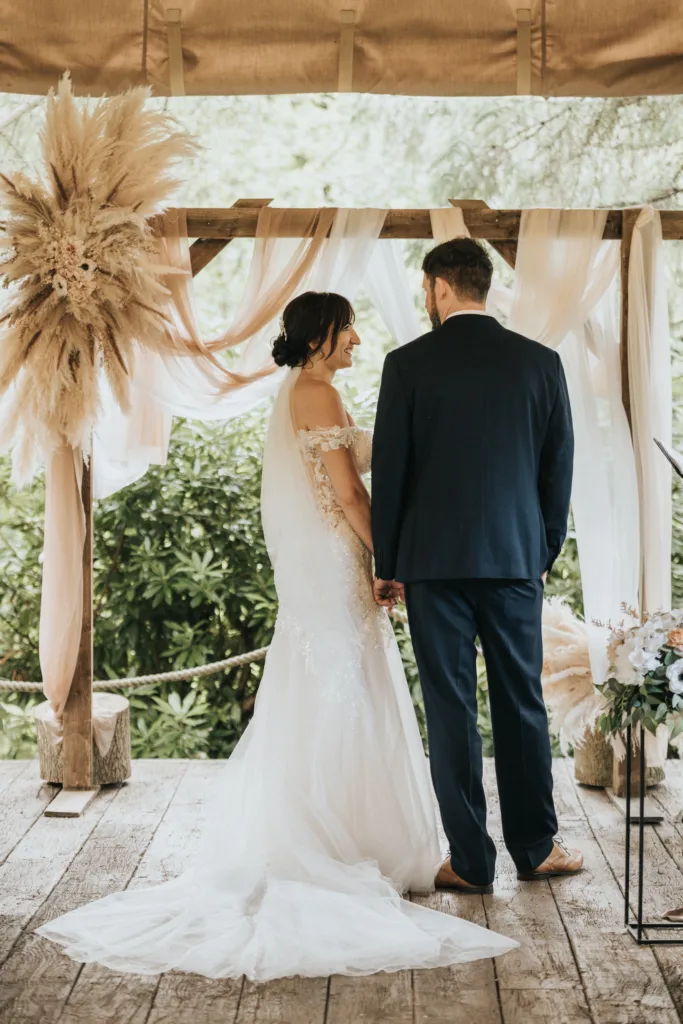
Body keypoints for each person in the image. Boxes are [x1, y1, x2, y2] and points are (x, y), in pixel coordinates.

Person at [35, 290, 516, 981]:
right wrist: (392, 560)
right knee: (339, 688)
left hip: (329, 559)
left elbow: (373, 460)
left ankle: (353, 837)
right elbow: (349, 494)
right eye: (347, 329)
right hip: (331, 558)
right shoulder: (313, 394)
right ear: (322, 334)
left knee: (343, 683)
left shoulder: (312, 390)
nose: (356, 339)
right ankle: (337, 842)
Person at [371, 239, 584, 894]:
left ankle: (467, 860)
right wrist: (539, 550)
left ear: (437, 288)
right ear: (482, 287)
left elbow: (392, 473)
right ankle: (535, 847)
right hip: (515, 561)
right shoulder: (539, 363)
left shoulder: (405, 365)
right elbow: (557, 469)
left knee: (450, 707)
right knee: (521, 703)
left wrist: (388, 562)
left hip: (431, 566)